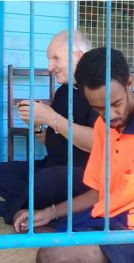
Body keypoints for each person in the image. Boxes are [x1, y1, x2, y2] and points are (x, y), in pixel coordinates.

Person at [15, 47, 134, 263]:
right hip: (106, 219)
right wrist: (50, 212)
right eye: (99, 109)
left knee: (54, 255)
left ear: (129, 84)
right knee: (41, 242)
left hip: (128, 230)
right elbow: (99, 192)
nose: (110, 116)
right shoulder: (102, 126)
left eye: (116, 104)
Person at [0, 30, 98, 225]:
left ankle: (11, 209)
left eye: (55, 58)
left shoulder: (99, 91)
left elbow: (95, 143)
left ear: (79, 56)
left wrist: (51, 116)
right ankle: (38, 207)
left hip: (83, 174)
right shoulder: (63, 91)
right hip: (52, 166)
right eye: (49, 59)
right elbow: (51, 141)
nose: (50, 67)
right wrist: (37, 125)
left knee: (45, 180)